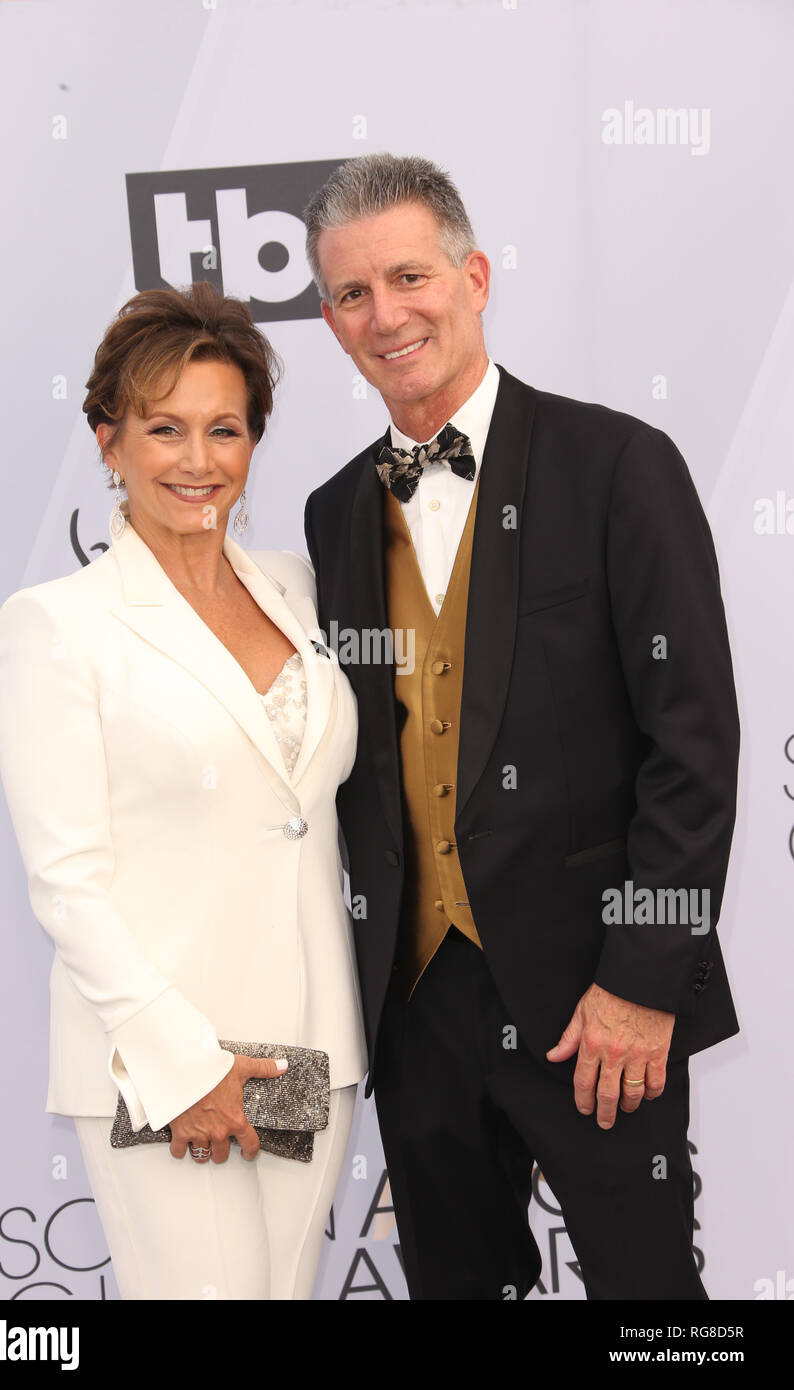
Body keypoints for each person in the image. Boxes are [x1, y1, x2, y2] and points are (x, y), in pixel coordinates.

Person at [302, 153, 739, 1300]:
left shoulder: (615, 466)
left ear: (474, 276)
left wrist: (645, 979)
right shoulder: (333, 510)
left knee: (652, 1304)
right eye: (351, 294)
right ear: (331, 317)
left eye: (408, 276)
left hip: (596, 997)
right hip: (415, 1007)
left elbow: (690, 748)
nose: (385, 315)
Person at [0, 283, 366, 1300]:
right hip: (160, 1051)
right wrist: (184, 1062)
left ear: (253, 441)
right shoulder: (58, 624)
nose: (197, 461)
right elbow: (67, 878)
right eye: (163, 429)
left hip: (307, 1043)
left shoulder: (297, 589)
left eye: (223, 429)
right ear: (109, 443)